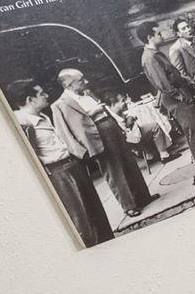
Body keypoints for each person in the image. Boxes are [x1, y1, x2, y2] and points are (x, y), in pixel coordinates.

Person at [13, 79, 113, 246]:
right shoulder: (22, 123)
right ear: (30, 100)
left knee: (96, 213)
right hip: (59, 173)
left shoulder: (43, 116)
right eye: (41, 93)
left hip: (72, 165)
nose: (46, 95)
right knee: (82, 219)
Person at [51, 69, 150, 218]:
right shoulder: (60, 104)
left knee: (129, 162)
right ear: (68, 84)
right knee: (113, 170)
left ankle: (143, 197)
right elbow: (64, 130)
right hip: (96, 136)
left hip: (110, 127)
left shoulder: (87, 92)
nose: (86, 82)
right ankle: (129, 206)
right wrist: (79, 150)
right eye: (81, 80)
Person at [140, 20, 195, 178]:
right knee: (193, 131)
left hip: (181, 95)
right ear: (150, 37)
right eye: (158, 33)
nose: (161, 35)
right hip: (177, 99)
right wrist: (182, 96)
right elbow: (163, 84)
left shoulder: (155, 54)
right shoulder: (150, 58)